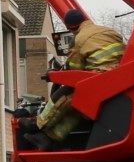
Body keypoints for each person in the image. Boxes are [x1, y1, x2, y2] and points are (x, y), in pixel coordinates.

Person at [32, 9, 127, 147]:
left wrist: (57, 74)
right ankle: (50, 138)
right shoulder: (111, 32)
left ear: (71, 27)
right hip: (120, 80)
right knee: (79, 107)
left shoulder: (79, 39)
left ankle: (39, 124)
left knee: (67, 97)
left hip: (98, 81)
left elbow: (74, 69)